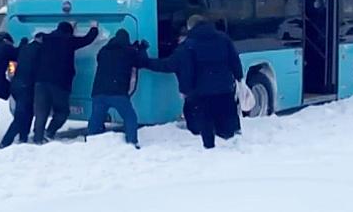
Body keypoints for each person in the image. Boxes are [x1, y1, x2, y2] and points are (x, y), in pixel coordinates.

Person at [146, 14, 243, 149]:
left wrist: (144, 62)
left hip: (201, 91)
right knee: (227, 117)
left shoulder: (188, 45)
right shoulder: (223, 39)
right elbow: (234, 60)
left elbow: (172, 65)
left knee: (205, 120)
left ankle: (210, 147)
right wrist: (239, 77)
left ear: (190, 27)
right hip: (224, 87)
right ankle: (232, 143)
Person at [33, 21, 99, 144]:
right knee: (62, 111)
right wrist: (94, 27)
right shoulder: (69, 40)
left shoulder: (46, 39)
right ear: (69, 32)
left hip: (41, 81)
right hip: (60, 83)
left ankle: (38, 137)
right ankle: (50, 131)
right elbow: (87, 39)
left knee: (41, 111)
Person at [87, 29, 148, 149]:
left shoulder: (104, 51)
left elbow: (105, 58)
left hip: (99, 91)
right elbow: (142, 62)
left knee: (96, 117)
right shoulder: (129, 52)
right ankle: (132, 141)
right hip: (118, 92)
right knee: (130, 116)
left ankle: (92, 141)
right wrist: (142, 49)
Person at [0, 33, 44, 148]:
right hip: (27, 85)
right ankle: (6, 141)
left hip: (16, 84)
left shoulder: (24, 48)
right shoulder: (40, 50)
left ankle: (23, 137)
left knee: (28, 112)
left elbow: (13, 62)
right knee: (21, 115)